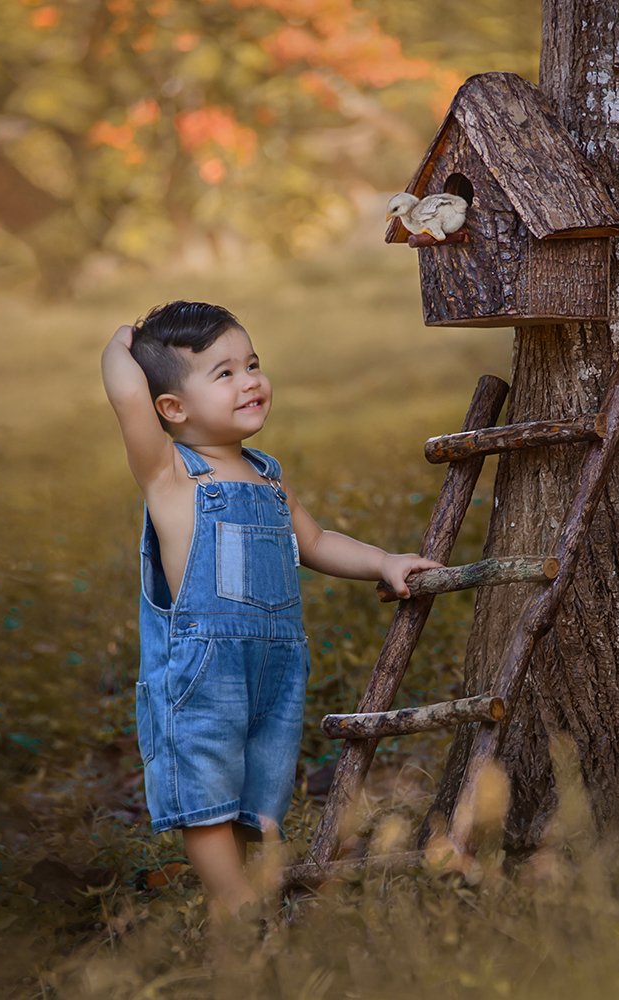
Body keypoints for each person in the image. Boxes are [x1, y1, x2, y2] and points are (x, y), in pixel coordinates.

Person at [101, 300, 440, 919]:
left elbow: (315, 544)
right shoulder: (172, 476)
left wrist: (385, 561)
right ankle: (230, 902)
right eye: (223, 373)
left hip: (276, 663)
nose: (250, 380)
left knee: (259, 786)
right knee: (205, 781)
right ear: (172, 409)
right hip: (204, 667)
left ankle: (249, 890)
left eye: (252, 364)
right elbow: (128, 400)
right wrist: (121, 345)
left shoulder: (268, 477)